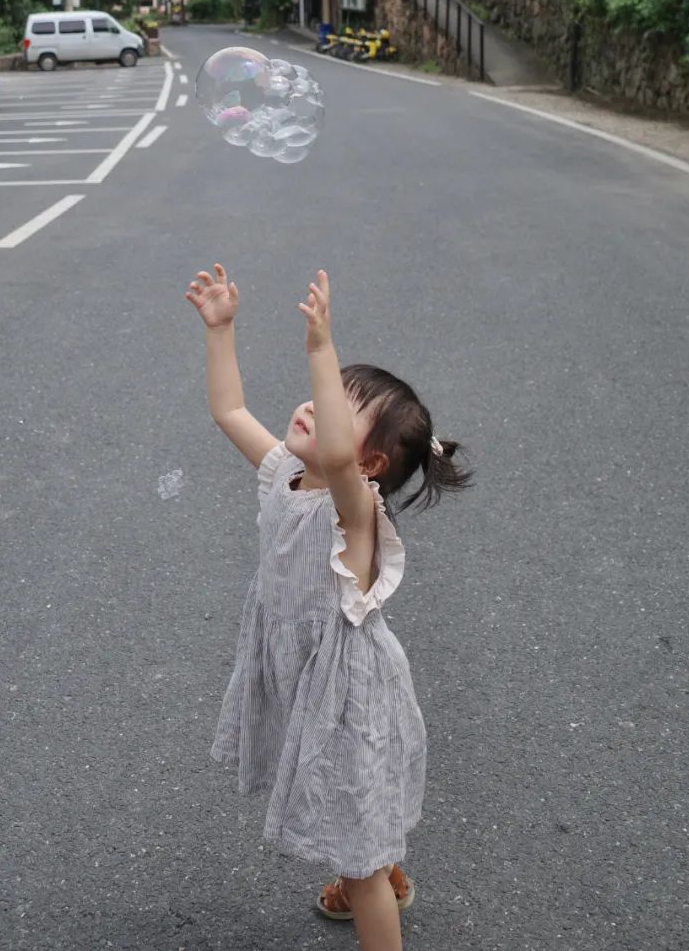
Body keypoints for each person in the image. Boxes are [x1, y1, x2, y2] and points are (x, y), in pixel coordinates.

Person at [185, 264, 473, 950]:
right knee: (350, 804)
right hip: (305, 676)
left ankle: (372, 880)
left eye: (339, 405)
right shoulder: (286, 470)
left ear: (370, 462)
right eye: (324, 394)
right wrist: (221, 331)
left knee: (358, 836)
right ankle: (373, 870)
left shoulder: (355, 510)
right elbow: (228, 411)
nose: (315, 407)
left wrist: (321, 349)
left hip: (349, 697)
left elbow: (338, 459)